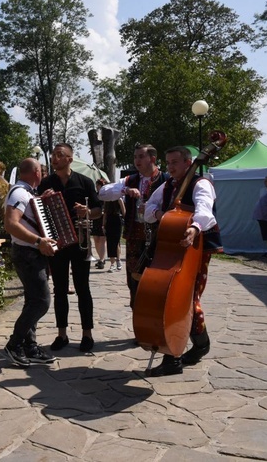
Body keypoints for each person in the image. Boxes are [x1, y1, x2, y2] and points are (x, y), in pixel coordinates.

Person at [142, 146, 222, 377]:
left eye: (175, 162)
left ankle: (180, 353)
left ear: (189, 163)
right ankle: (196, 345)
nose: (170, 167)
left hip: (196, 249)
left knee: (187, 298)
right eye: (168, 163)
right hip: (171, 250)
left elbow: (206, 212)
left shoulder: (201, 184)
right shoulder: (167, 186)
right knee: (171, 298)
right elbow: (148, 210)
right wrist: (160, 215)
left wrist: (194, 228)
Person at [37, 143, 102, 353]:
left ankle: (87, 334)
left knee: (83, 289)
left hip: (80, 241)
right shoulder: (46, 183)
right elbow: (38, 210)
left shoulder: (84, 181)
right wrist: (42, 199)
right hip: (58, 242)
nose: (54, 159)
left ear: (69, 159)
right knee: (60, 289)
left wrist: (87, 212)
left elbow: (98, 211)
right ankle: (62, 334)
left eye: (59, 155)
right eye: (53, 155)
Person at [98, 144, 169, 307]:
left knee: (158, 281)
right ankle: (140, 324)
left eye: (141, 156)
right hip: (134, 238)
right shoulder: (130, 180)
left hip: (160, 238)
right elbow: (102, 193)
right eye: (135, 156)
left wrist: (155, 210)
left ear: (152, 158)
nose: (137, 160)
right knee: (134, 281)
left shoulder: (166, 180)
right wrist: (125, 190)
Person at [2, 158, 58, 367]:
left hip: (32, 254)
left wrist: (41, 200)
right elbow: (10, 224)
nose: (43, 174)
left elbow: (25, 216)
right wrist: (38, 240)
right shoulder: (18, 192)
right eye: (41, 171)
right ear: (36, 172)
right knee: (41, 302)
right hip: (27, 254)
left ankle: (29, 346)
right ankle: (14, 345)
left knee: (32, 301)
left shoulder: (27, 194)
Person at [101, 182, 125, 273]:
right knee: (110, 242)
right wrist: (103, 225)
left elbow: (124, 212)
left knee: (116, 242)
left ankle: (118, 260)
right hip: (109, 221)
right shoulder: (106, 200)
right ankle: (112, 263)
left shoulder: (119, 199)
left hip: (117, 220)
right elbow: (105, 213)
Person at [91, 180, 107, 269]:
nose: (98, 187)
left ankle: (101, 259)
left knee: (102, 239)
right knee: (96, 239)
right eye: (98, 185)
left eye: (100, 185)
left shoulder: (107, 195)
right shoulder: (95, 195)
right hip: (96, 218)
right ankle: (101, 258)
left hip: (104, 218)